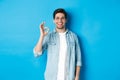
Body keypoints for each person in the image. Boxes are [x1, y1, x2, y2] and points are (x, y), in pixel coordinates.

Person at [33, 8, 82, 80]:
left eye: (62, 18)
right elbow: (37, 53)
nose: (60, 21)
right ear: (54, 20)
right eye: (57, 18)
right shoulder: (49, 36)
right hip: (51, 77)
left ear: (66, 20)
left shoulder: (73, 37)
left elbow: (78, 60)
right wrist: (42, 36)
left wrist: (77, 77)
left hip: (69, 77)